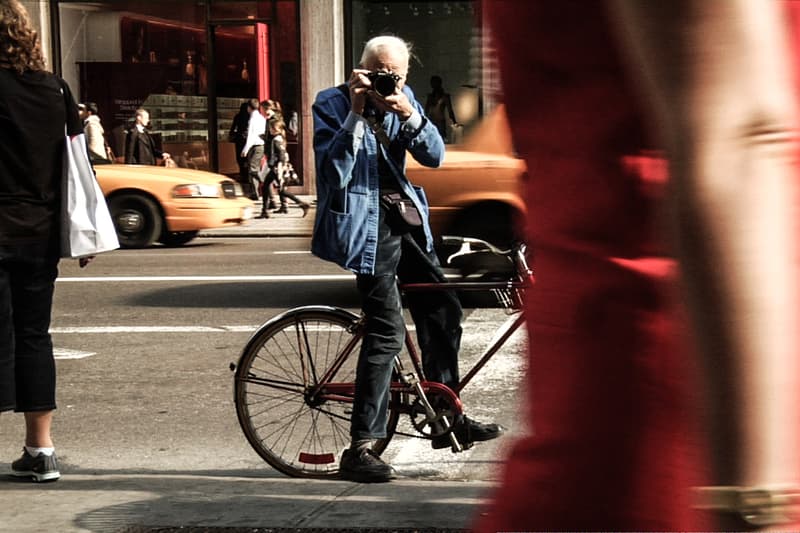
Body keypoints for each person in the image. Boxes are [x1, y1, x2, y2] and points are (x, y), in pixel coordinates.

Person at [476, 1, 800, 531]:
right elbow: (739, 138)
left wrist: (755, 504)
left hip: (668, 387)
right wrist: (755, 505)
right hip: (677, 386)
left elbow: (739, 138)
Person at [312, 35, 502, 484]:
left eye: (393, 75)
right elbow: (332, 173)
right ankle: (360, 448)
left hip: (404, 222)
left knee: (444, 307)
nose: (384, 81)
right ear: (359, 69)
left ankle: (445, 418)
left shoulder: (405, 99)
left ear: (403, 75)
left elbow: (434, 156)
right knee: (387, 330)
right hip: (365, 228)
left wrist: (410, 113)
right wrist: (357, 116)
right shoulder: (332, 104)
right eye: (377, 71)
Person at [0, 0, 92, 483]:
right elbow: (78, 166)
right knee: (34, 335)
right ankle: (41, 450)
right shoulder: (55, 89)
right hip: (39, 233)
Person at [266, 116, 309, 217]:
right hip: (277, 167)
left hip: (277, 168)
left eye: (271, 128)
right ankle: (268, 210)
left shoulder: (276, 140)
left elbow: (281, 156)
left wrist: (280, 171)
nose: (270, 130)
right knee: (267, 186)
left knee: (281, 190)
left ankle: (302, 203)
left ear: (276, 129)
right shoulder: (280, 138)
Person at [240, 98, 268, 217]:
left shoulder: (253, 118)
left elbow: (251, 135)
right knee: (254, 168)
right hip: (261, 146)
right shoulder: (261, 118)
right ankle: (256, 191)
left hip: (255, 146)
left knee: (252, 169)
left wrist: (245, 149)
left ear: (249, 108)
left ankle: (259, 188)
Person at [424, 75, 457, 143]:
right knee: (433, 140)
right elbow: (426, 110)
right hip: (433, 121)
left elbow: (450, 111)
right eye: (432, 83)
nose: (432, 85)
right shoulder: (431, 96)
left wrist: (454, 122)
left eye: (434, 83)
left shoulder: (444, 96)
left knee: (440, 139)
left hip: (439, 122)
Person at [228, 101, 252, 195]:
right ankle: (247, 176)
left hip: (239, 139)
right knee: (248, 158)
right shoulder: (249, 117)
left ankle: (242, 173)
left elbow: (233, 127)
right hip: (247, 139)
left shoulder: (238, 116)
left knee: (239, 157)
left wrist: (232, 135)